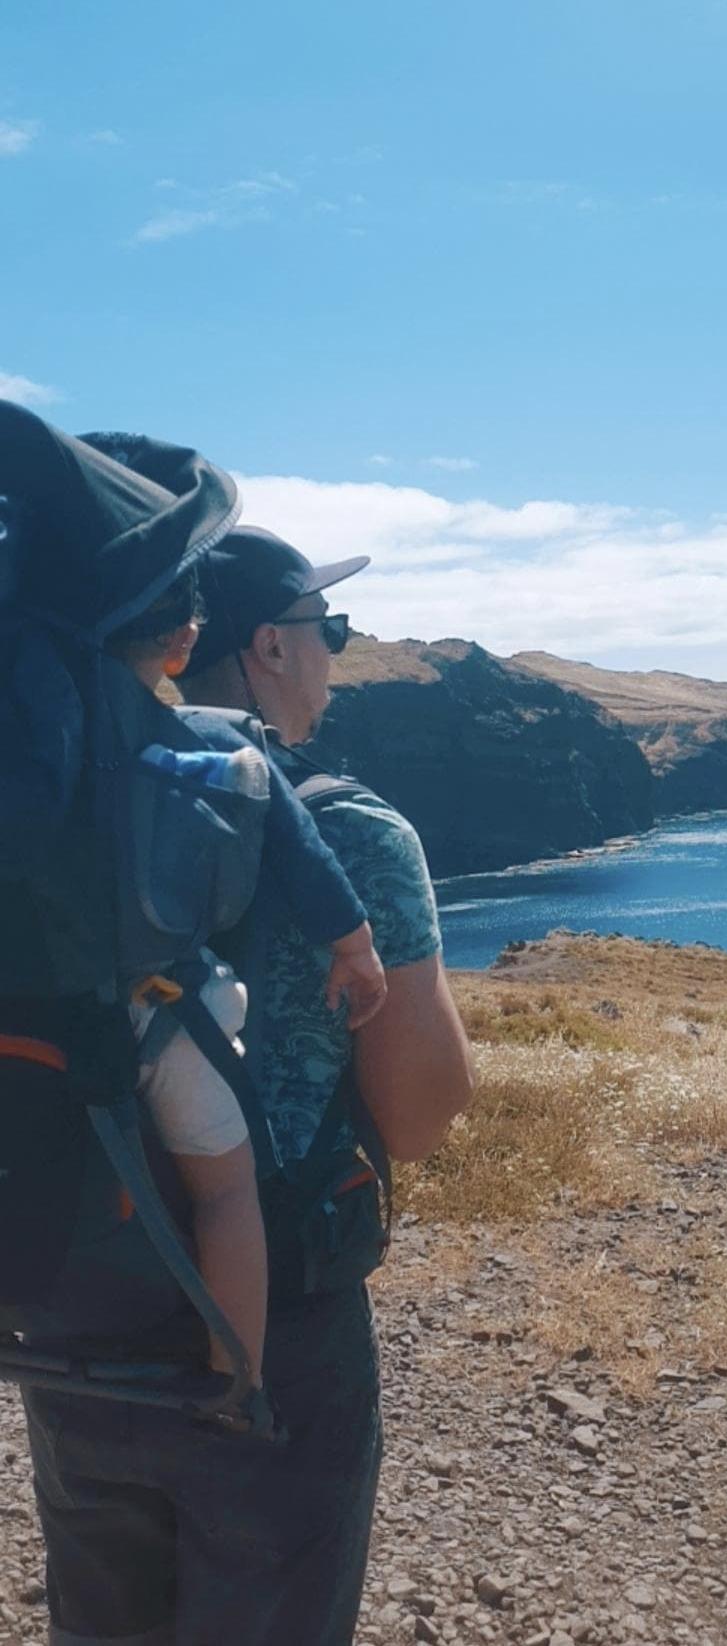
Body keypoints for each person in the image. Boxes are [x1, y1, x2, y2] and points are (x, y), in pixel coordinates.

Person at [24, 527, 474, 1646]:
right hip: (278, 1325)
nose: (338, 653)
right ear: (270, 644)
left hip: (75, 1290)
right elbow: (420, 1118)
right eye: (333, 630)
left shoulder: (55, 800)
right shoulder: (351, 826)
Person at [107, 566, 388, 1389]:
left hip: (36, 1011)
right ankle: (238, 1376)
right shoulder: (214, 737)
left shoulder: (25, 737)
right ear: (180, 641)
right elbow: (301, 851)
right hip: (157, 1011)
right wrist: (355, 945)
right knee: (228, 1193)